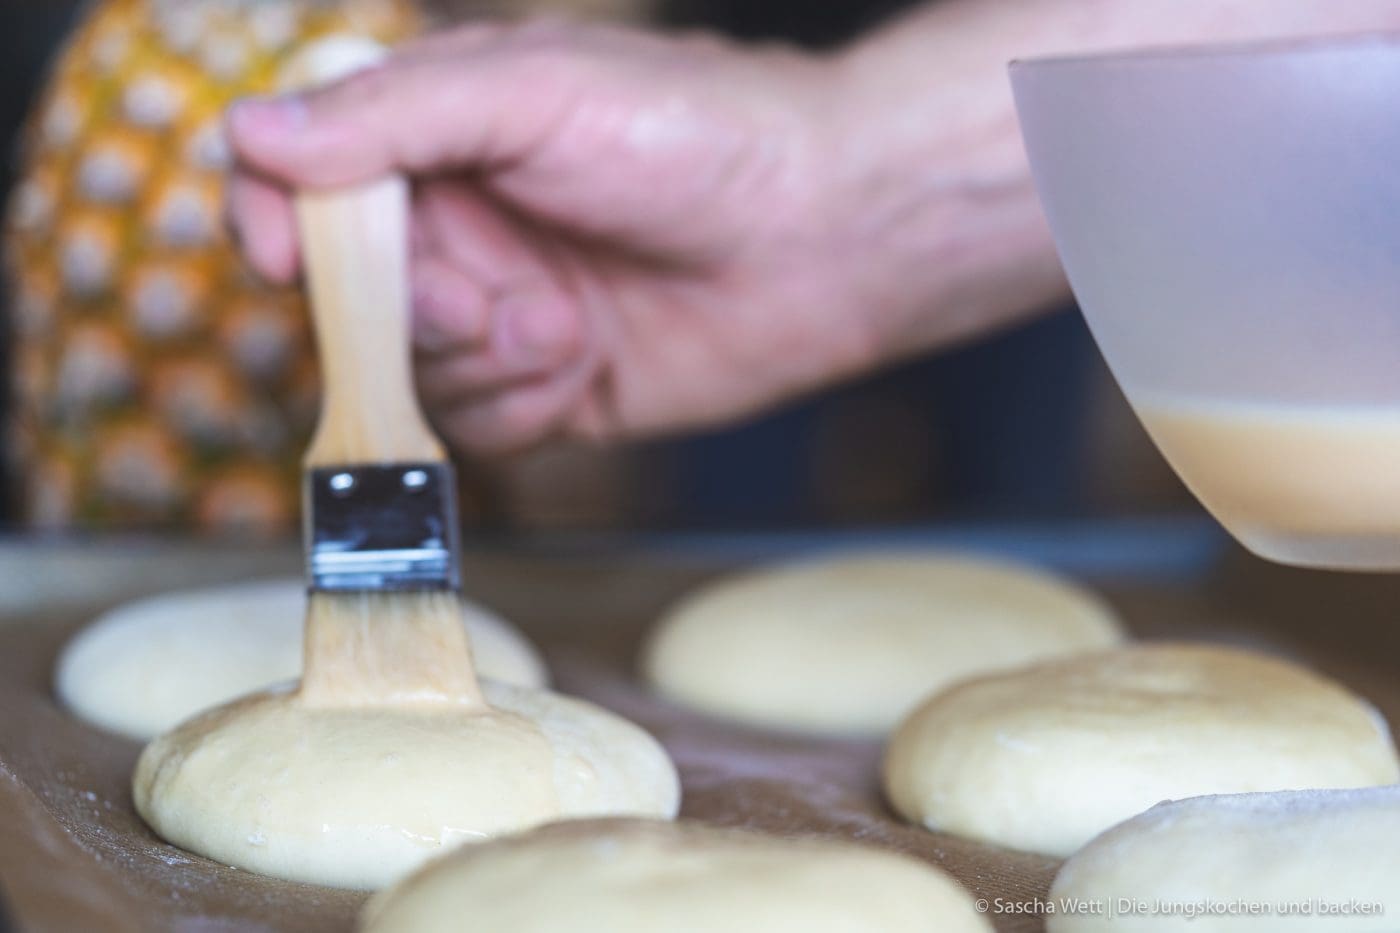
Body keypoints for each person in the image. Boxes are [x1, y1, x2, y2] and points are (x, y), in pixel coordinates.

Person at [226, 0, 1400, 459]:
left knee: (1016, 476)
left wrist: (842, 184)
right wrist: (833, 193)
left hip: (1080, 260)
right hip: (776, 151)